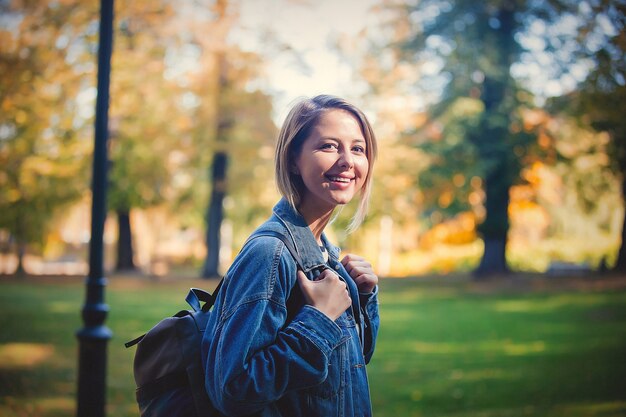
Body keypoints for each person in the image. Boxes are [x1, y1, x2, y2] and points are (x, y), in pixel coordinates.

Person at [202, 94, 380, 417]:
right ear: (294, 160)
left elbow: (346, 369)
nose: (347, 161)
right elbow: (233, 390)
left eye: (358, 149)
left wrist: (362, 298)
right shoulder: (270, 255)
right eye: (329, 146)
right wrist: (318, 321)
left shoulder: (326, 256)